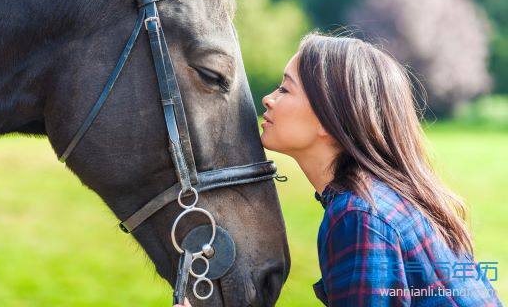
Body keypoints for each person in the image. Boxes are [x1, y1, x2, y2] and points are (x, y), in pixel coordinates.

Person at [175, 33, 503, 306]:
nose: (267, 99)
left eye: (285, 89)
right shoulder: (380, 201)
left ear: (328, 119)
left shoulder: (358, 216)